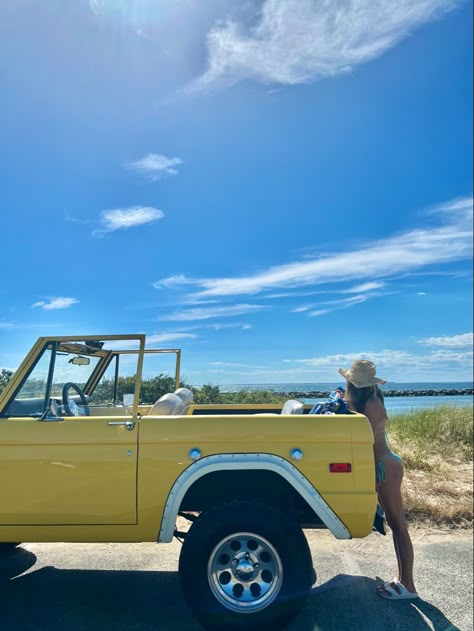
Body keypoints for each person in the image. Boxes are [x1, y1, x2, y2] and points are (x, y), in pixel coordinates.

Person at [338, 359, 418, 600]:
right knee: (396, 526)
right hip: (385, 464)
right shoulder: (371, 399)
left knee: (399, 526)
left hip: (385, 467)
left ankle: (409, 586)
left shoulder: (369, 404)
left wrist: (344, 407)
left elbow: (364, 434)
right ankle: (402, 580)